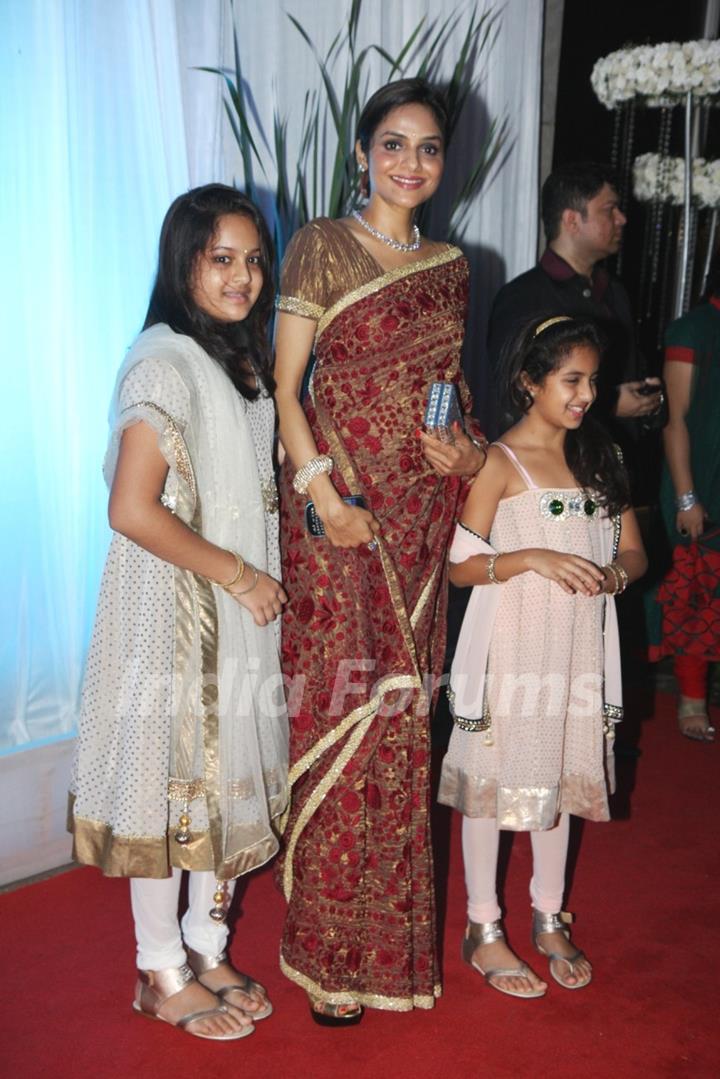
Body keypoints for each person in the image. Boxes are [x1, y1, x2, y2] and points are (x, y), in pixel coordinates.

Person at [274, 78, 487, 1023]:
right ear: (364, 153)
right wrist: (327, 496)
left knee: (405, 721)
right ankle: (324, 955)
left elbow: (452, 394)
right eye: (393, 144)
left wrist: (468, 452)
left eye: (429, 148)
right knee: (348, 708)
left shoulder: (452, 264)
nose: (411, 163)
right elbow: (290, 391)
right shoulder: (320, 245)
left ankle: (384, 953)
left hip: (418, 517)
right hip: (339, 513)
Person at [68, 184, 289, 1041]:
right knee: (172, 791)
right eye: (221, 259)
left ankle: (205, 939)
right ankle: (157, 969)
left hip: (233, 605)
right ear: (182, 262)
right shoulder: (162, 359)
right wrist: (237, 574)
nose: (243, 277)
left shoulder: (235, 357)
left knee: (223, 778)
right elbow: (130, 507)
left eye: (254, 260)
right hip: (176, 609)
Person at [438, 315, 647, 998]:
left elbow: (633, 550)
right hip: (514, 647)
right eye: (571, 380)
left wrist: (612, 576)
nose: (586, 394)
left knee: (555, 773)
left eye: (593, 380)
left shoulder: (599, 456)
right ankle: (482, 925)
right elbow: (460, 566)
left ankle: (548, 912)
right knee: (496, 779)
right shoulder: (500, 460)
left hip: (577, 647)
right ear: (531, 382)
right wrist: (531, 556)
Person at [487, 162, 663, 432]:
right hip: (555, 464)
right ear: (571, 220)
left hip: (616, 462)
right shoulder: (522, 297)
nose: (621, 219)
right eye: (609, 210)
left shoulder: (614, 291)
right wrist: (610, 404)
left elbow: (634, 371)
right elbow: (512, 397)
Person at [646, 277, 720, 742]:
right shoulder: (691, 331)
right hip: (699, 487)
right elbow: (674, 422)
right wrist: (687, 496)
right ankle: (692, 700)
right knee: (697, 600)